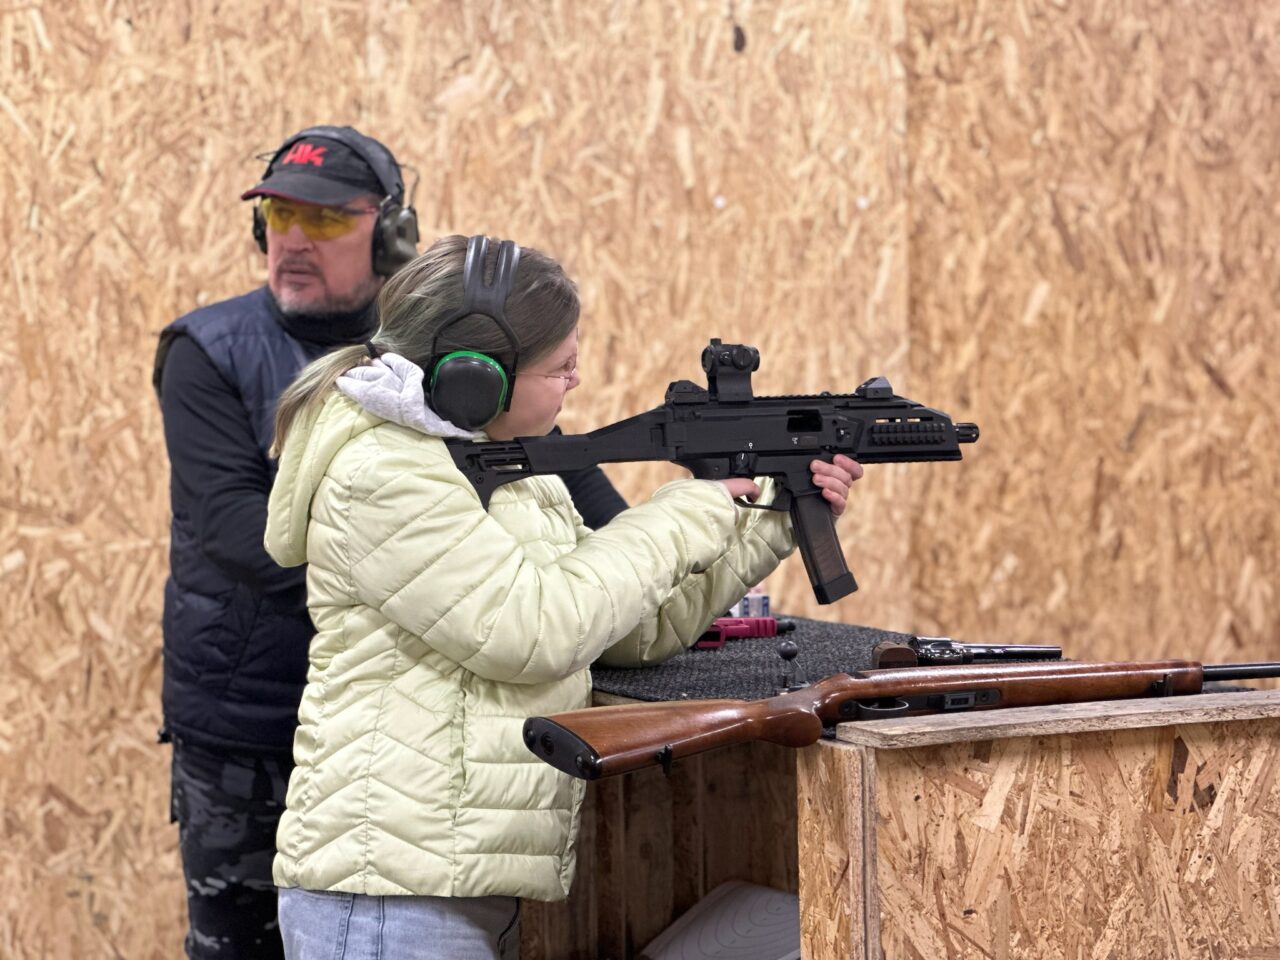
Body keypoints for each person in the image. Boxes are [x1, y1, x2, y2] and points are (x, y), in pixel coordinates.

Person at [263, 234, 863, 959]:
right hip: (390, 895)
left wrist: (769, 520)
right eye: (560, 367)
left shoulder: (503, 462)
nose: (575, 381)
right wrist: (690, 510)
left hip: (453, 878)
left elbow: (627, 629)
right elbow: (536, 630)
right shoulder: (383, 472)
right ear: (475, 379)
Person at [153, 130, 626, 960]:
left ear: (393, 234)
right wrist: (444, 571)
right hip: (249, 721)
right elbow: (241, 538)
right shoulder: (208, 351)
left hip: (402, 752)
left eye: (326, 219)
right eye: (279, 215)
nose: (294, 239)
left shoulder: (451, 356)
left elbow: (573, 492)